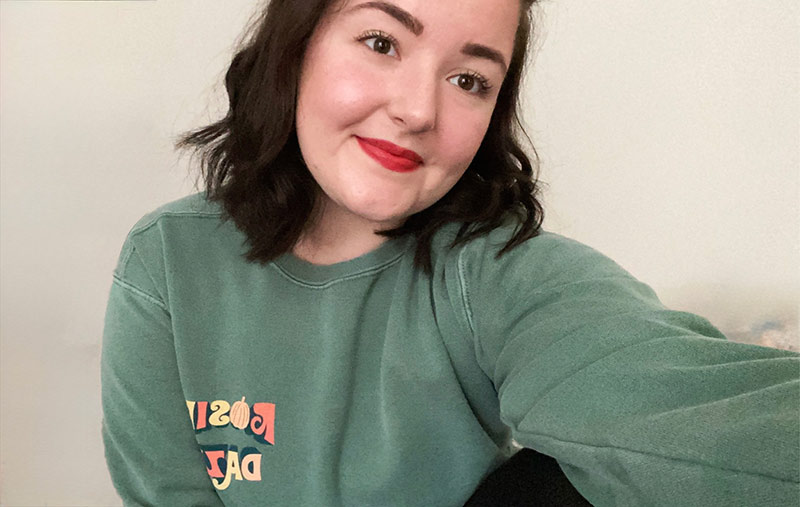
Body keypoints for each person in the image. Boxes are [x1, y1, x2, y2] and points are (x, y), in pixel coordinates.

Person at [100, 0, 800, 505]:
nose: (418, 111)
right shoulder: (167, 262)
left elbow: (713, 421)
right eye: (381, 42)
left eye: (470, 80)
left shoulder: (499, 274)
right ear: (297, 44)